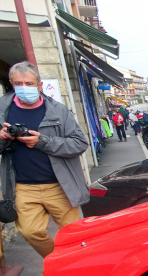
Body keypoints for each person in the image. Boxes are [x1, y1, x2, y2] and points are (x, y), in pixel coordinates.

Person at [0, 61, 89, 258]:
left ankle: (79, 268)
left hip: (59, 185)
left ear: (39, 85)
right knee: (30, 232)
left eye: (29, 84)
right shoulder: (2, 111)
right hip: (22, 186)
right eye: (18, 84)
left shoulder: (58, 110)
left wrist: (42, 142)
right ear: (11, 84)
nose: (24, 88)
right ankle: (59, 262)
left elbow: (79, 144)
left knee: (76, 234)